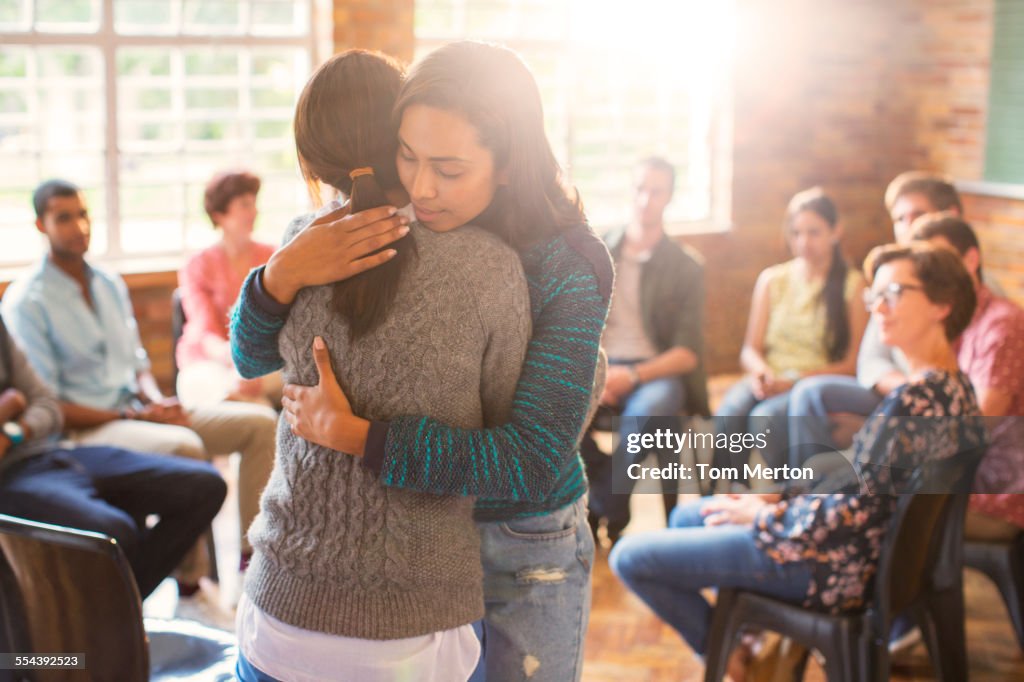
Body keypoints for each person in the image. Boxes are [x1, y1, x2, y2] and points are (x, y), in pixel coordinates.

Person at [231, 43, 612, 682]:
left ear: (510, 165)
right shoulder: (373, 231)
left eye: (450, 169)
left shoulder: (564, 261)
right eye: (407, 155)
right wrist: (279, 274)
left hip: (520, 536)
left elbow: (532, 458)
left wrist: (361, 436)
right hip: (420, 546)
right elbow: (251, 351)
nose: (421, 187)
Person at [610, 243, 985, 681]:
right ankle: (750, 640)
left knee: (629, 556)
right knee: (691, 515)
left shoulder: (913, 401)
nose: (879, 307)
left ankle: (737, 658)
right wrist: (783, 492)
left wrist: (766, 514)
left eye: (895, 292)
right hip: (852, 551)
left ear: (943, 304)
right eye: (875, 296)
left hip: (827, 563)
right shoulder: (955, 390)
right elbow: (861, 482)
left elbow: (852, 512)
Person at [1, 179, 277, 592]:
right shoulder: (28, 301)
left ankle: (250, 561)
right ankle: (187, 578)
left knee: (259, 425)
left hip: (137, 407)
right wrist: (132, 413)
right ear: (41, 225)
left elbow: (137, 363)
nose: (79, 226)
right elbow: (52, 402)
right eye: (64, 218)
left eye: (83, 214)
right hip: (89, 427)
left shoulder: (108, 283)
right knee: (185, 447)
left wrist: (155, 399)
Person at [0, 314, 226, 600]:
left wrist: (11, 429)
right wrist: (11, 402)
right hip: (8, 478)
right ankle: (114, 619)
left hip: (50, 452)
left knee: (205, 485)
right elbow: (23, 400)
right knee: (117, 531)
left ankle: (115, 613)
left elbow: (45, 405)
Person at [787, 172, 970, 463]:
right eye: (900, 219)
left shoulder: (966, 297)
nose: (910, 227)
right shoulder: (895, 276)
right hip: (899, 393)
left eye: (919, 215)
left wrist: (895, 413)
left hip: (918, 407)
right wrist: (902, 401)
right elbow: (870, 361)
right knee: (805, 396)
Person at [578, 156, 707, 543]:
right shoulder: (598, 249)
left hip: (655, 373)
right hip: (599, 363)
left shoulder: (686, 266)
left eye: (656, 191)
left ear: (669, 198)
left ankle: (603, 504)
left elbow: (687, 353)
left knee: (648, 416)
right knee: (558, 403)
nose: (645, 199)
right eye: (639, 189)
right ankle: (611, 496)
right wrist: (601, 371)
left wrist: (632, 376)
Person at [714, 187, 867, 476]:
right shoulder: (773, 279)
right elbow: (750, 349)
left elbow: (852, 364)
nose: (803, 242)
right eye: (796, 233)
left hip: (810, 384)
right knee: (729, 414)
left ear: (836, 232)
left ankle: (790, 491)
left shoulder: (854, 287)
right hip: (769, 376)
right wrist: (762, 374)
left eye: (814, 232)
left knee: (765, 418)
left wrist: (792, 380)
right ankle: (727, 491)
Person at [910, 215, 1024, 540]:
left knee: (882, 503)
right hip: (966, 473)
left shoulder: (1003, 325)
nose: (932, 280)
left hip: (999, 493)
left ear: (971, 260)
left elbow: (977, 428)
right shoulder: (960, 318)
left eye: (940, 265)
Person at [176, 170, 280, 409]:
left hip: (262, 360)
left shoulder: (273, 256)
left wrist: (251, 367)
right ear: (219, 214)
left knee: (253, 393)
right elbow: (204, 330)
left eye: (254, 204)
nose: (254, 212)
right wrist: (237, 363)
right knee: (244, 400)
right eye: (244, 205)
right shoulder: (197, 266)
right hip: (208, 359)